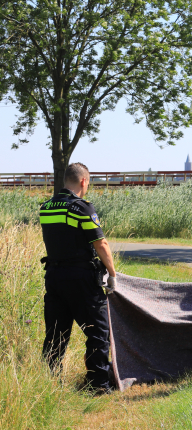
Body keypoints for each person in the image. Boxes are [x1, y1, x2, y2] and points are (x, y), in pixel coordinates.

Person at [40, 162, 117, 394]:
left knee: (55, 334)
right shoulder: (82, 208)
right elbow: (101, 244)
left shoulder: (46, 207)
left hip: (54, 277)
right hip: (81, 278)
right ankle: (98, 384)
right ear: (83, 181)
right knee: (98, 331)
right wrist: (112, 274)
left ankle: (49, 384)